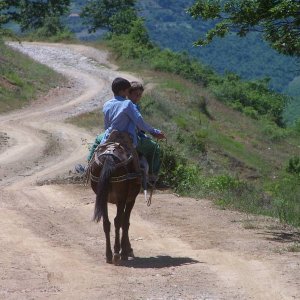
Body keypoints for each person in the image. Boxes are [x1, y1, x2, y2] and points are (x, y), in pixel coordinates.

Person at [78, 78, 165, 180]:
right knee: (155, 148)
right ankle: (151, 176)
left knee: (98, 142)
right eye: (128, 90)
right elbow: (140, 123)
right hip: (127, 138)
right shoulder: (129, 104)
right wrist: (154, 132)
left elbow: (107, 126)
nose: (128, 93)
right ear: (122, 91)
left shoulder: (107, 104)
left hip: (109, 137)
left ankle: (88, 167)